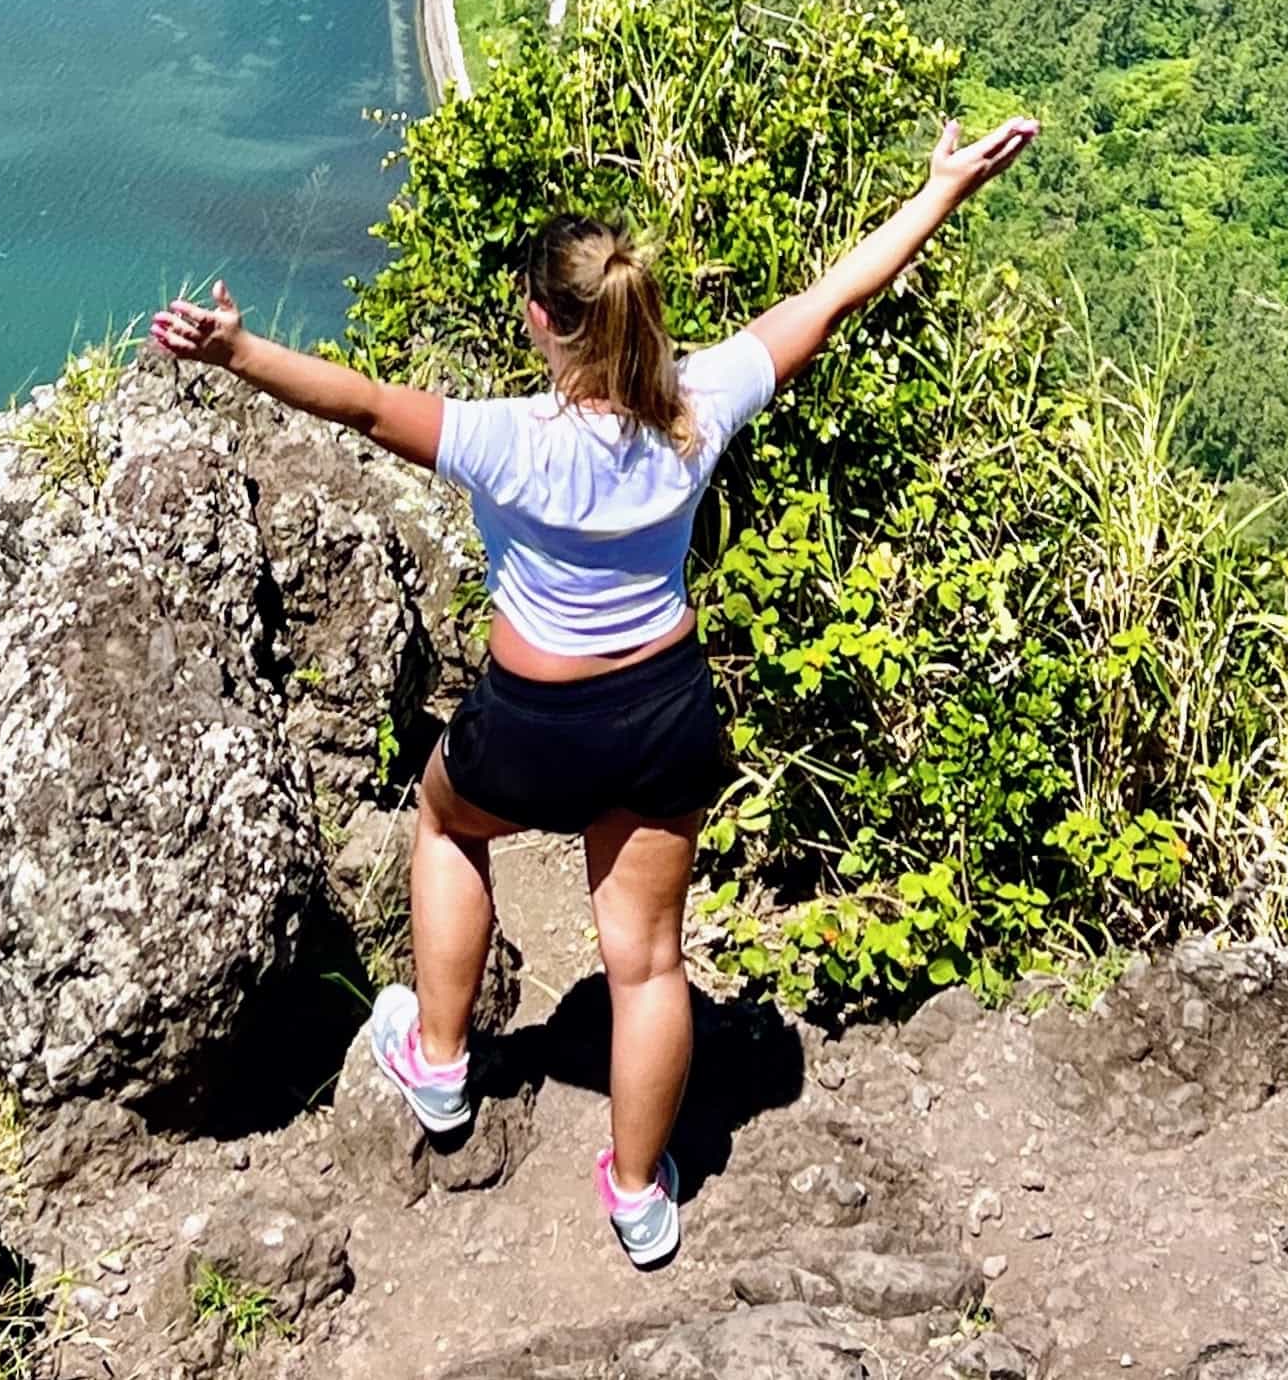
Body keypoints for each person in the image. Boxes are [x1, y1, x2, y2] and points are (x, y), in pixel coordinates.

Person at [150, 110, 1037, 1270]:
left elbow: (358, 403)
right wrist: (944, 190)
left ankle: (442, 1061)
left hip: (532, 719)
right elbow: (830, 298)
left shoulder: (506, 439)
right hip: (663, 716)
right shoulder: (698, 402)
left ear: (541, 319)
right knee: (650, 961)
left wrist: (234, 351)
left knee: (443, 819)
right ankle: (636, 1195)